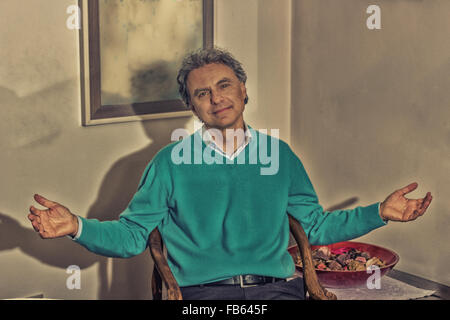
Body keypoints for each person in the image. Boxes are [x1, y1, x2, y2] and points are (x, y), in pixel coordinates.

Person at [27, 47, 432, 300]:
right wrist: (76, 226)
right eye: (202, 93)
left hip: (278, 290)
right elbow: (132, 237)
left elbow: (316, 227)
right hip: (201, 296)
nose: (216, 98)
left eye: (224, 85)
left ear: (243, 91)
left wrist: (380, 211)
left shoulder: (280, 155)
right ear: (192, 106)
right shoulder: (170, 163)